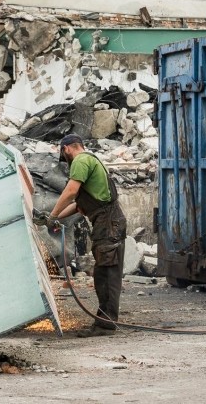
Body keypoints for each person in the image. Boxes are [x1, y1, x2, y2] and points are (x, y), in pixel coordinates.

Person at [48, 133, 127, 337]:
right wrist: (54, 218)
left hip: (108, 222)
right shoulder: (90, 161)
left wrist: (54, 214)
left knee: (107, 273)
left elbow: (71, 192)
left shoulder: (81, 160)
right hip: (106, 221)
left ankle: (106, 324)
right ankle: (104, 321)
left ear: (66, 149)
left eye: (64, 156)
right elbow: (78, 206)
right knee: (103, 272)